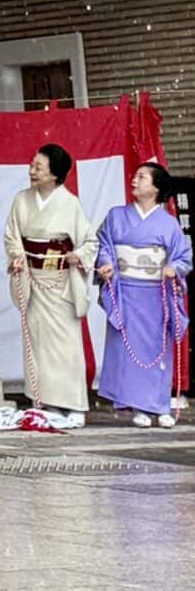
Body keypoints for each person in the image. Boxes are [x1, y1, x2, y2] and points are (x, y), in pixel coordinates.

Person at [95, 160, 191, 426]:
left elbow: (184, 256)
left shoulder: (169, 223)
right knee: (128, 350)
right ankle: (138, 405)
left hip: (155, 295)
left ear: (156, 188)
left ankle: (160, 405)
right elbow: (103, 244)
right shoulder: (116, 216)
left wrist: (174, 267)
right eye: (135, 176)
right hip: (126, 291)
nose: (135, 180)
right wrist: (105, 264)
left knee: (158, 349)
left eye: (142, 177)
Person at [5, 142, 96, 417]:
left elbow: (89, 241)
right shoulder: (22, 199)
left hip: (59, 283)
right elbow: (12, 236)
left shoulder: (70, 204)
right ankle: (45, 403)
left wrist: (77, 255)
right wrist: (18, 256)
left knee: (66, 346)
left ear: (54, 174)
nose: (32, 171)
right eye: (32, 166)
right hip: (34, 282)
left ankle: (74, 404)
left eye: (38, 167)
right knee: (37, 345)